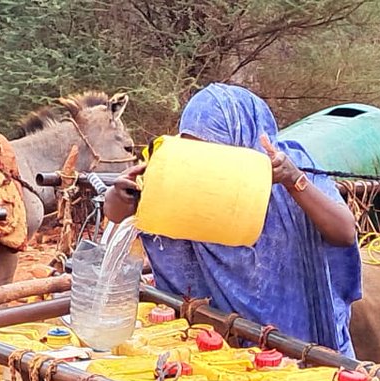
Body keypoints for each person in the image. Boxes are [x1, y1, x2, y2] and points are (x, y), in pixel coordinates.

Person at [103, 83, 361, 354]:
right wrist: (122, 196)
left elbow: (343, 233)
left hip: (298, 331)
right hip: (217, 339)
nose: (205, 162)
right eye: (194, 149)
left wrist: (293, 180)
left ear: (241, 136)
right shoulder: (184, 172)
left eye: (214, 150)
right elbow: (117, 213)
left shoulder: (290, 162)